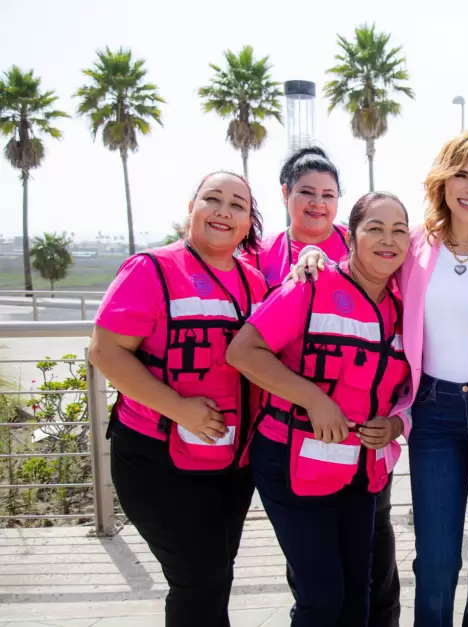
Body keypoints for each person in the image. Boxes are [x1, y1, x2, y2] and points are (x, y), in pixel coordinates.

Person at [291, 131, 468, 627]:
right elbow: (362, 267)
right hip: (432, 414)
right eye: (461, 174)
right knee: (434, 560)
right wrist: (315, 258)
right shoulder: (415, 248)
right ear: (443, 181)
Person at [88, 171, 269, 627]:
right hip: (157, 461)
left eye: (238, 205)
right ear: (192, 209)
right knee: (199, 578)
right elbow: (105, 351)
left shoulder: (255, 284)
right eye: (213, 199)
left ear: (248, 223)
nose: (224, 211)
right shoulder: (152, 269)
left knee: (214, 576)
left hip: (230, 462)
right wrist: (178, 408)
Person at [226, 192, 413, 627]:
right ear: (351, 237)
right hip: (291, 462)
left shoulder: (404, 307)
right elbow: (244, 351)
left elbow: (410, 386)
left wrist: (394, 422)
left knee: (358, 592)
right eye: (375, 229)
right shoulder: (312, 285)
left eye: (399, 231)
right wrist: (314, 399)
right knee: (322, 596)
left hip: (359, 470)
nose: (388, 240)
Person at [243, 146, 350, 287]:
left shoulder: (358, 245)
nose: (318, 203)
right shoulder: (258, 253)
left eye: (328, 195)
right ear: (286, 193)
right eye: (307, 192)